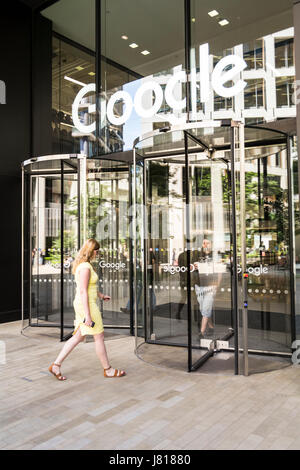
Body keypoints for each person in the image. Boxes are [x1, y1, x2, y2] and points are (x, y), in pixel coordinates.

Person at [49, 238, 126, 380]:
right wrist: (88, 316)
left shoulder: (85, 265)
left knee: (78, 336)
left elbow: (89, 287)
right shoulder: (85, 267)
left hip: (84, 303)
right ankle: (107, 370)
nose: (97, 253)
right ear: (91, 251)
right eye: (96, 251)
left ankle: (56, 365)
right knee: (99, 336)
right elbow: (84, 291)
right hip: (87, 305)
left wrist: (101, 295)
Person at [195, 239, 221, 337]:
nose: (205, 244)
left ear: (211, 244)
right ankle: (211, 327)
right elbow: (193, 268)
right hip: (199, 285)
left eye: (208, 243)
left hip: (211, 286)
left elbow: (219, 271)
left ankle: (201, 332)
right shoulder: (198, 255)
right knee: (203, 309)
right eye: (204, 243)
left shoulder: (215, 256)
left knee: (206, 308)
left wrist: (217, 284)